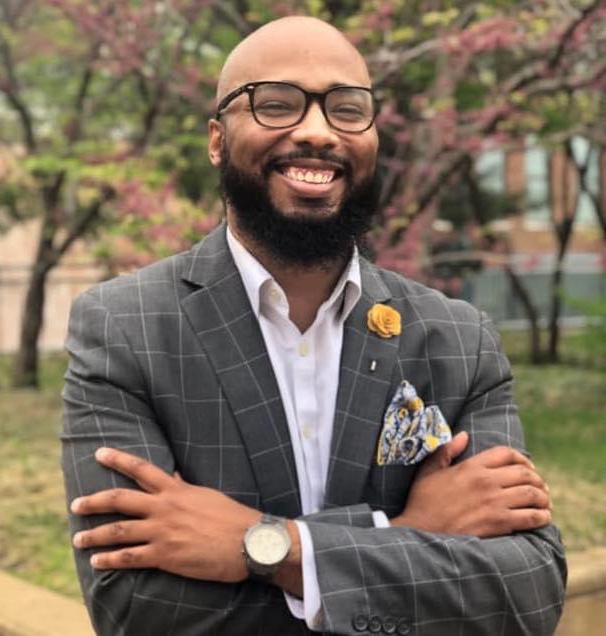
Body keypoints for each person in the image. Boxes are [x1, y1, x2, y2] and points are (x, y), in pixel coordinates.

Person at [62, 16, 566, 636]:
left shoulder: (458, 339)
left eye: (347, 109)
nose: (316, 131)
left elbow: (525, 593)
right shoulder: (124, 327)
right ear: (217, 140)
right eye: (275, 104)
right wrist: (407, 534)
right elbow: (136, 609)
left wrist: (265, 547)